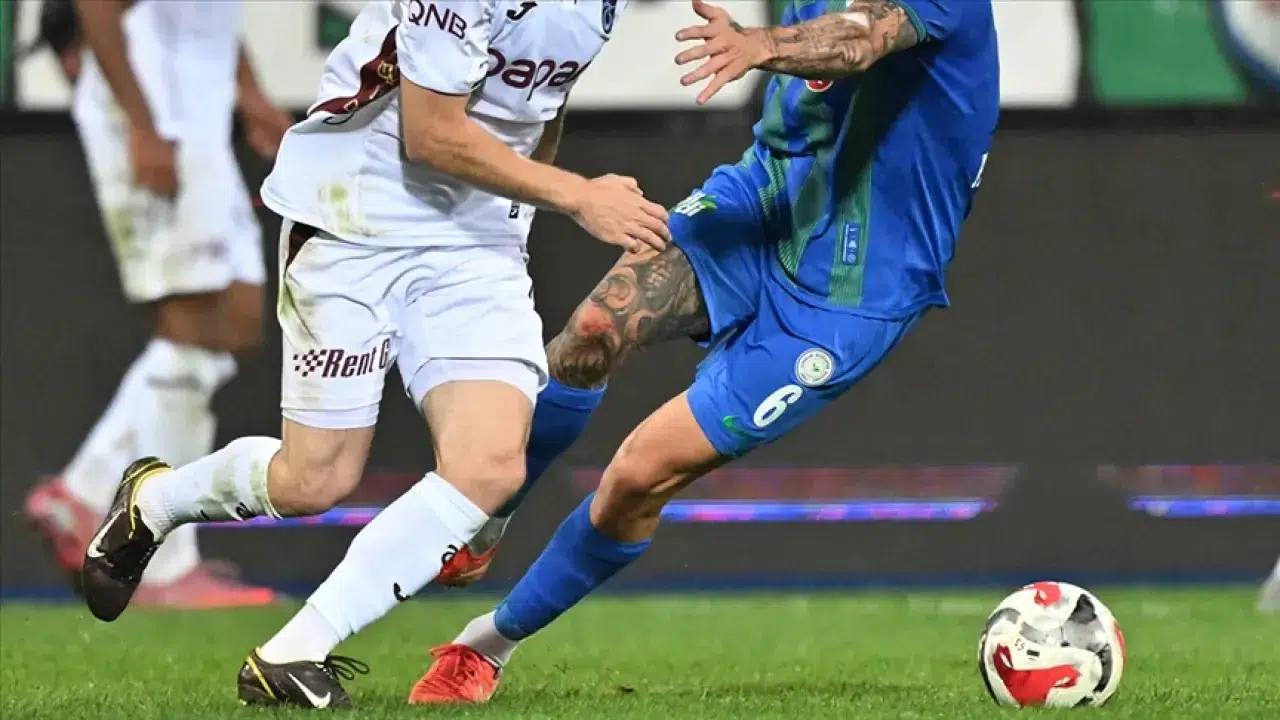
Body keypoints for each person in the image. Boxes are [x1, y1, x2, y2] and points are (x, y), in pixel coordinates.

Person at [79, 0, 668, 709]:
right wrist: (576, 195)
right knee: (312, 480)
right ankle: (155, 501)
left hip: (475, 242)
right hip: (354, 214)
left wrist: (518, 219)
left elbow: (543, 97)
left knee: (488, 465)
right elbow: (431, 134)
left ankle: (292, 652)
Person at [410, 0, 1000, 704]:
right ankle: (489, 511)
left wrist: (759, 44)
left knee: (640, 475)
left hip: (853, 291)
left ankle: (487, 644)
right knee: (594, 329)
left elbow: (862, 39)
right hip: (767, 199)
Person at [24, 0, 291, 608]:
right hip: (155, 115)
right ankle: (162, 565)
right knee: (193, 326)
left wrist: (249, 92)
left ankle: (86, 489)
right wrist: (142, 124)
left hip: (197, 112)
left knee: (235, 322)